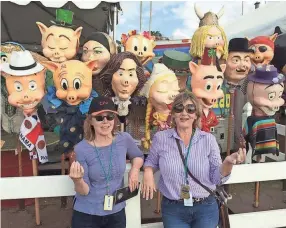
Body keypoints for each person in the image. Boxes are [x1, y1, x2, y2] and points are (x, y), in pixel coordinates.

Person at [142, 91, 246, 228]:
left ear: (196, 114)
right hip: (173, 208)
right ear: (173, 113)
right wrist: (148, 172)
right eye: (179, 108)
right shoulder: (161, 138)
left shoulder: (208, 140)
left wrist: (228, 163)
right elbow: (151, 161)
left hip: (205, 207)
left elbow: (216, 178)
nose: (184, 113)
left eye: (190, 109)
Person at [69, 96, 144, 228]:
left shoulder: (124, 139)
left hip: (116, 211)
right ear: (91, 121)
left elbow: (138, 156)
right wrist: (77, 180)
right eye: (99, 118)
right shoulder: (81, 149)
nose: (105, 121)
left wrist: (135, 170)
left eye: (109, 116)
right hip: (88, 214)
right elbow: (84, 191)